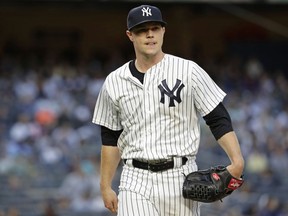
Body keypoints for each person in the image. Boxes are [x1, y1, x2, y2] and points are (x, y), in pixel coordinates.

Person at [92, 4, 244, 216]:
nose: (149, 34)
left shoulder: (188, 70)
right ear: (130, 35)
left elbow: (217, 117)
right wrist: (105, 185)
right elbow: (110, 137)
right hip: (134, 178)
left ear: (163, 30)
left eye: (155, 28)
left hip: (180, 177)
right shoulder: (114, 81)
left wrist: (237, 160)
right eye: (142, 30)